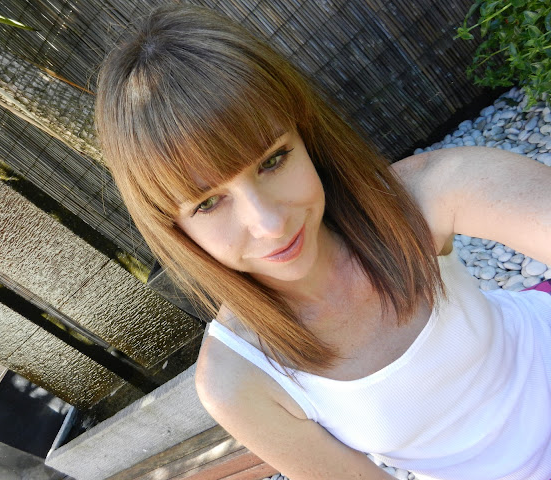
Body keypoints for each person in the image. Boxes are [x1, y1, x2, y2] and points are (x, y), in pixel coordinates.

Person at [95, 4, 551, 479]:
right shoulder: (238, 379)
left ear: (306, 138)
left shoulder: (419, 198)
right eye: (208, 203)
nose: (270, 223)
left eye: (273, 160)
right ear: (175, 229)